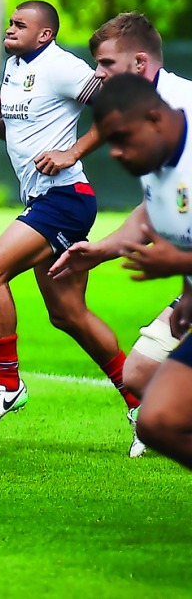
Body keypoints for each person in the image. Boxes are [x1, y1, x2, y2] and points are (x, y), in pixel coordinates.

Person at [0, 0, 134, 425]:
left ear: (45, 34)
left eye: (20, 25)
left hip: (64, 199)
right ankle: (141, 404)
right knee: (68, 314)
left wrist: (72, 152)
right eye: (9, 23)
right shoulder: (14, 67)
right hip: (48, 199)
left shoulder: (62, 67)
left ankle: (8, 384)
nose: (10, 29)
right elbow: (30, 133)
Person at [50, 12, 192, 457]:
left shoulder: (180, 111)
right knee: (144, 385)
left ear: (140, 62)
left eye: (106, 63)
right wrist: (102, 250)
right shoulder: (143, 121)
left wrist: (180, 263)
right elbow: (153, 208)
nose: (98, 73)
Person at [79, 73, 192, 470]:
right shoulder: (156, 163)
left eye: (122, 139)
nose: (115, 153)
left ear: (154, 119)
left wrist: (179, 264)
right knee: (156, 422)